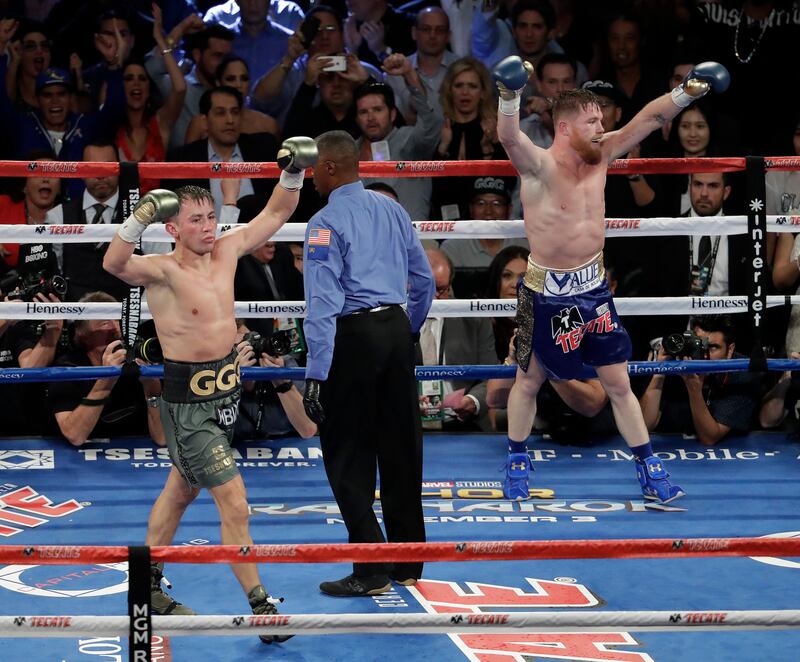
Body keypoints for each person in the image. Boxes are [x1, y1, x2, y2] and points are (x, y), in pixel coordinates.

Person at [102, 135, 317, 636]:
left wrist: (292, 171)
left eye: (210, 217)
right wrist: (138, 219)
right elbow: (113, 264)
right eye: (194, 220)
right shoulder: (161, 271)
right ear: (172, 226)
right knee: (234, 501)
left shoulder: (226, 251)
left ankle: (148, 585)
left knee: (180, 491)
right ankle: (261, 606)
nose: (206, 227)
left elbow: (276, 213)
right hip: (188, 407)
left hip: (225, 396)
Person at [492, 54, 730, 502]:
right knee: (529, 379)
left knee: (618, 383)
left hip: (593, 289)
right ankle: (517, 462)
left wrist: (686, 93)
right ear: (565, 128)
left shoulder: (601, 156)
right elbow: (508, 135)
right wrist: (509, 96)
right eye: (591, 121)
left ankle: (649, 469)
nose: (601, 128)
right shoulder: (538, 166)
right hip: (545, 291)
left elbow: (651, 118)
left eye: (601, 119)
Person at [301, 130, 434, 596]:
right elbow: (424, 280)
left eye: (314, 166)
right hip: (397, 331)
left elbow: (322, 301)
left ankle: (372, 566)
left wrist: (316, 372)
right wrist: (406, 329)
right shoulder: (393, 208)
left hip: (352, 337)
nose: (311, 175)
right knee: (401, 447)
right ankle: (408, 562)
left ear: (331, 167)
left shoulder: (323, 222)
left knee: (347, 455)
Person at [47, 292, 163, 446]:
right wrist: (107, 378)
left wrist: (152, 388)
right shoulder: (68, 369)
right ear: (82, 333)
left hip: (135, 454)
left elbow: (162, 438)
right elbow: (74, 435)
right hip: (82, 462)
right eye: (105, 323)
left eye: (116, 320)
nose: (115, 328)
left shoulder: (137, 361)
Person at [639, 315, 760, 445]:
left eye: (713, 347)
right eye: (698, 345)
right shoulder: (675, 360)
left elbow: (710, 437)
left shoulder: (741, 373)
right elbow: (643, 426)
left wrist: (693, 389)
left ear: (730, 350)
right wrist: (659, 372)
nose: (704, 355)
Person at [418, 248, 496, 431]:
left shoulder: (473, 319)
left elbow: (491, 375)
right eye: (430, 289)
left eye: (443, 289)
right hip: (404, 425)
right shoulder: (393, 320)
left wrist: (473, 401)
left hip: (462, 424)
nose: (437, 297)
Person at [184, 55, 280, 142]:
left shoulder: (268, 125)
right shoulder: (201, 124)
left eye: (244, 78)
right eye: (231, 79)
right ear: (218, 83)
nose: (239, 85)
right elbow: (188, 159)